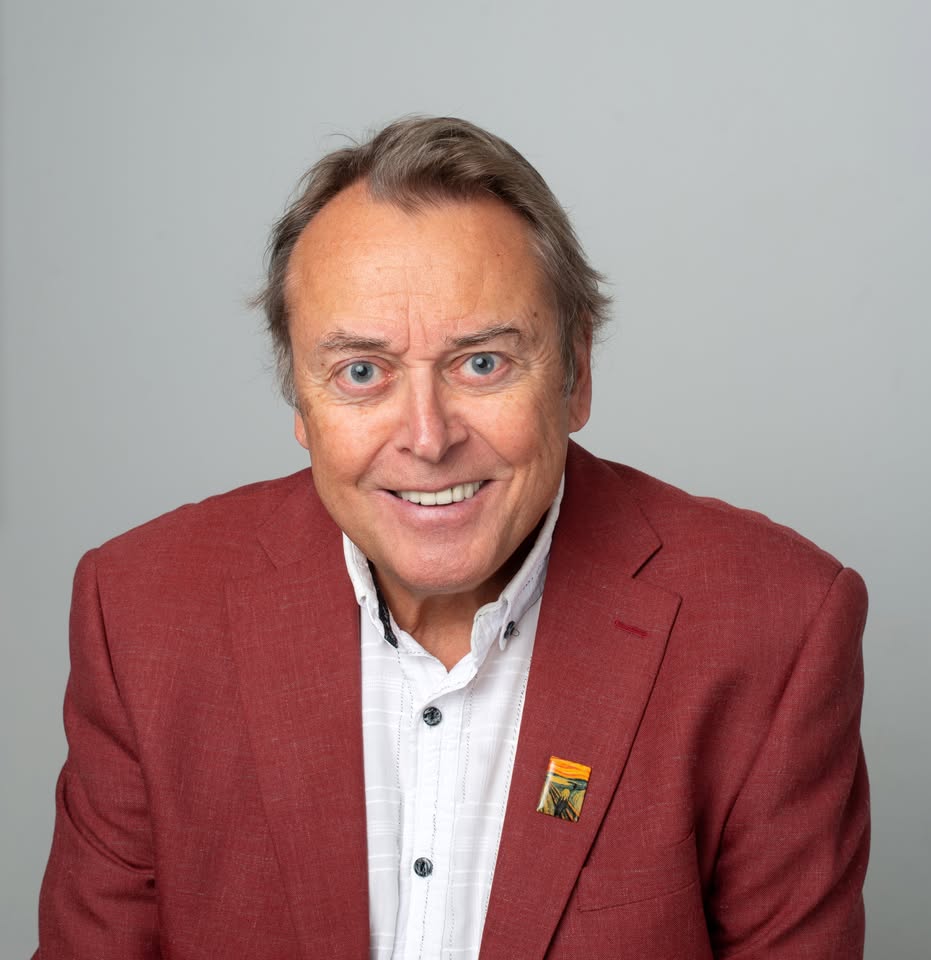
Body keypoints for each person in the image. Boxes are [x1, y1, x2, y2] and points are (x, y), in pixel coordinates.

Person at [33, 116, 870, 959]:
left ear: (576, 373)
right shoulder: (142, 615)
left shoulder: (773, 625)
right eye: (362, 372)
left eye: (482, 363)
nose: (427, 440)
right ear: (302, 404)